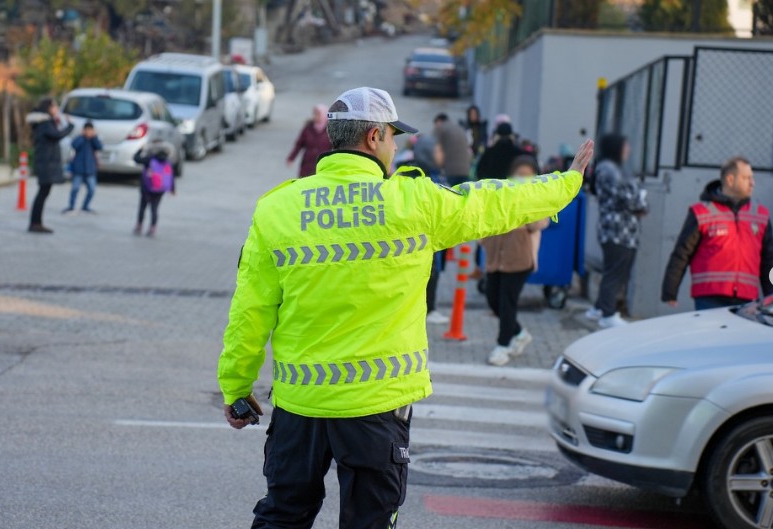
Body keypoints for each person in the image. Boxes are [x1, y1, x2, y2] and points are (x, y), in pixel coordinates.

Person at [217, 85, 593, 529]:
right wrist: (565, 182)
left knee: (282, 516)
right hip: (377, 409)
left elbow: (250, 310)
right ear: (374, 137)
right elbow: (494, 200)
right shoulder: (413, 202)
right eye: (393, 136)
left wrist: (236, 387)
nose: (396, 147)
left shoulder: (276, 208)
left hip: (301, 407)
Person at [661, 157, 773, 310]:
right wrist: (670, 291)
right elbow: (682, 253)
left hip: (747, 300)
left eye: (752, 178)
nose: (752, 182)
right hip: (709, 298)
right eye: (746, 178)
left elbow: (769, 259)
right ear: (730, 179)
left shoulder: (761, 215)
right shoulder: (701, 212)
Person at [479, 155, 549, 366]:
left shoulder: (536, 199)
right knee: (493, 299)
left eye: (528, 176)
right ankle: (519, 333)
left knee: (507, 303)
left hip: (519, 259)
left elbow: (540, 223)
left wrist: (526, 202)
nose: (522, 179)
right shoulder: (501, 193)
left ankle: (503, 346)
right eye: (519, 175)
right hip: (496, 257)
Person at [585, 134, 648, 327]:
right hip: (617, 232)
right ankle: (608, 315)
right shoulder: (609, 170)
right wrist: (642, 197)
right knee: (615, 272)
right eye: (625, 146)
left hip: (622, 232)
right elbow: (629, 198)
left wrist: (639, 198)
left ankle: (599, 308)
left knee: (615, 271)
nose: (628, 150)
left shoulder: (611, 169)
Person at [395, 132, 449, 325]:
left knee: (434, 272)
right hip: (421, 235)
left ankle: (429, 307)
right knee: (428, 272)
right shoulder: (417, 174)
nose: (442, 154)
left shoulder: (433, 172)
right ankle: (427, 308)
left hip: (433, 234)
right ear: (428, 152)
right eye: (438, 150)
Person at [26, 98, 74, 234]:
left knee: (43, 192)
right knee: (42, 192)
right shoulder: (45, 123)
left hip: (45, 161)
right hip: (46, 162)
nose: (57, 109)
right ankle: (35, 223)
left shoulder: (44, 122)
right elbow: (56, 135)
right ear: (48, 108)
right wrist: (70, 126)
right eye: (54, 107)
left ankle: (36, 222)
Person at [133, 141, 176, 237]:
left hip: (146, 189)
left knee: (142, 208)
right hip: (159, 190)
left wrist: (140, 149)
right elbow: (171, 176)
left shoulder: (149, 159)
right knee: (154, 209)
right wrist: (172, 189)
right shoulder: (168, 162)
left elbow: (136, 159)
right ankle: (152, 228)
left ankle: (139, 226)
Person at [64, 121, 102, 214]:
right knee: (75, 188)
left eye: (90, 130)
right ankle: (71, 206)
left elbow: (99, 147)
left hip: (90, 169)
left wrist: (94, 137)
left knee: (91, 190)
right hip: (78, 168)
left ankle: (85, 206)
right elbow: (74, 145)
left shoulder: (94, 140)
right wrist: (82, 136)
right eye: (87, 130)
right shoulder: (80, 138)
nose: (88, 132)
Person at [286, 104, 332, 178]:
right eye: (315, 114)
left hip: (323, 166)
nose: (315, 116)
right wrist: (291, 158)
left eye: (318, 114)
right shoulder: (308, 128)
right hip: (307, 166)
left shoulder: (330, 130)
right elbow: (299, 144)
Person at [433, 113, 472, 186]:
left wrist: (437, 168)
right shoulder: (460, 128)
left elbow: (438, 151)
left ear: (439, 121)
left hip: (451, 171)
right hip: (466, 170)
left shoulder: (440, 128)